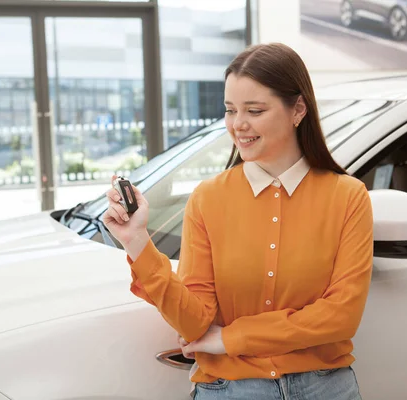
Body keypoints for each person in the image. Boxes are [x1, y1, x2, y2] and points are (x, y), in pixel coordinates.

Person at [102, 43, 373, 400]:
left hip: (325, 388)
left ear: (298, 110)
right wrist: (137, 241)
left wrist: (230, 338)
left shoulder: (348, 197)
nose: (237, 125)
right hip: (230, 390)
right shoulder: (208, 198)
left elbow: (341, 317)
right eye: (230, 110)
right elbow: (195, 321)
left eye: (255, 110)